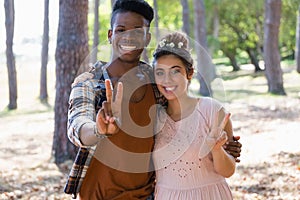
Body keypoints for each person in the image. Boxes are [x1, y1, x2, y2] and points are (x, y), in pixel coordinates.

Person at [64, 0, 241, 199]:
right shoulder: (89, 82)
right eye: (121, 29)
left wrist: (225, 145)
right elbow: (77, 126)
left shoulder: (155, 81)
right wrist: (98, 129)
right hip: (97, 194)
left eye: (137, 31)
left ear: (147, 38)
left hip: (146, 194)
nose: (129, 37)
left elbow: (182, 116)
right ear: (110, 35)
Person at [151, 32, 235, 199]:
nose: (166, 80)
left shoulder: (212, 110)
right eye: (160, 72)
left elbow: (228, 171)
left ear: (189, 73)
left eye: (175, 72)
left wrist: (217, 150)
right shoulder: (154, 116)